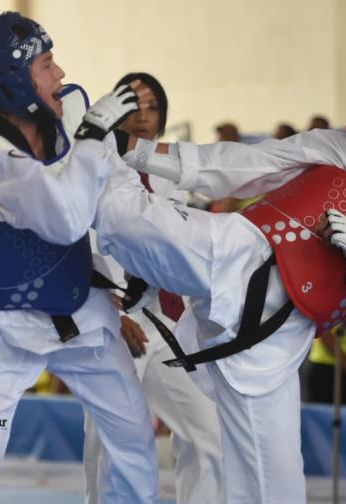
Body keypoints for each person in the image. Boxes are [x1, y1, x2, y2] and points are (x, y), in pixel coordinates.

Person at [93, 58, 346, 502]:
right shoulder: (340, 146)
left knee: (275, 489)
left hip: (274, 341)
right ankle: (78, 145)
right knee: (128, 219)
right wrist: (128, 148)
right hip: (236, 253)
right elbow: (237, 165)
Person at [0, 12, 157, 503]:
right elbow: (66, 216)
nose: (62, 74)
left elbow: (114, 192)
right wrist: (93, 139)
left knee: (135, 440)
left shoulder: (71, 113)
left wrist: (134, 271)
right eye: (47, 64)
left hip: (77, 307)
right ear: (12, 79)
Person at [82, 72, 224, 504]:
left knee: (209, 437)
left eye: (153, 106)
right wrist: (112, 311)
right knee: (111, 442)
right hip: (113, 317)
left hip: (168, 323)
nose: (144, 116)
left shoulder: (169, 171)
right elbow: (78, 246)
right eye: (134, 104)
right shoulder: (91, 166)